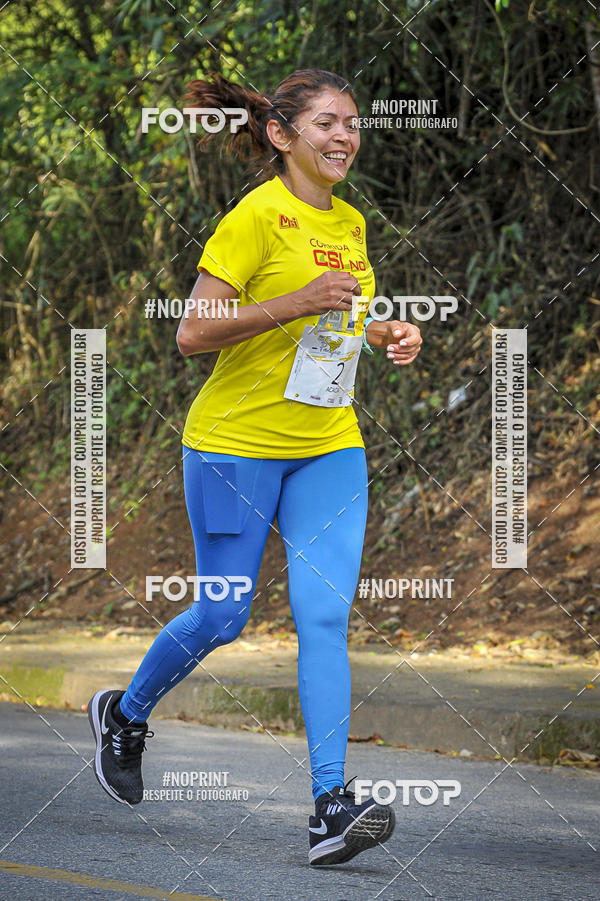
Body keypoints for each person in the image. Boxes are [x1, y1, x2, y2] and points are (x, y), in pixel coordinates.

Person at [88, 68, 422, 866]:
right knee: (224, 614)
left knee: (323, 616)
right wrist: (296, 301)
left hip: (327, 445)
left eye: (354, 123)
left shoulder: (351, 222)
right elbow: (192, 334)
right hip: (234, 446)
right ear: (282, 135)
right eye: (328, 124)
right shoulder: (252, 218)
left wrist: (385, 335)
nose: (346, 136)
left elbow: (343, 313)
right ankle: (125, 715)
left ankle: (330, 806)